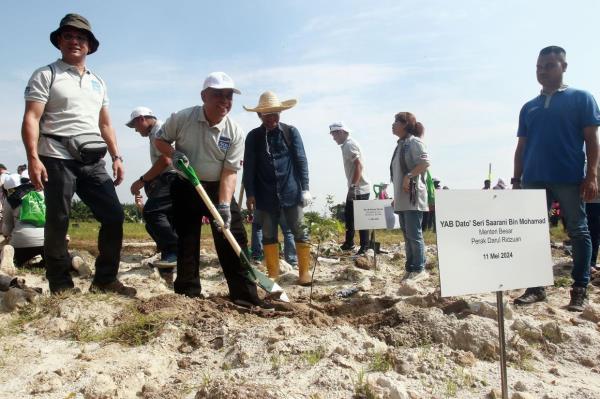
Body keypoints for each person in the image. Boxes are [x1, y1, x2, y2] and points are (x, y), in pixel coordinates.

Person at [20, 14, 135, 296]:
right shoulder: (46, 74)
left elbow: (105, 123)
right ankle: (60, 284)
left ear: (89, 46)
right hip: (56, 155)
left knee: (114, 215)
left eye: (81, 38)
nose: (75, 41)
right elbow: (32, 118)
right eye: (69, 36)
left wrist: (117, 156)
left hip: (92, 159)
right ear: (59, 41)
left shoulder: (98, 82)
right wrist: (33, 158)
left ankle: (105, 279)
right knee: (59, 219)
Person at [155, 71, 269, 309]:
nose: (224, 101)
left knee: (233, 237)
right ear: (204, 96)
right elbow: (160, 140)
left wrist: (225, 205)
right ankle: (188, 294)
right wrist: (173, 153)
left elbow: (230, 172)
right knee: (187, 240)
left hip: (218, 188)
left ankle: (246, 297)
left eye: (228, 96)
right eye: (218, 95)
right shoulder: (182, 118)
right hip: (186, 185)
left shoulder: (234, 132)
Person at [512, 45, 600, 311]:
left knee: (578, 230)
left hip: (569, 177)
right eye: (539, 67)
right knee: (534, 233)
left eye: (549, 65)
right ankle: (536, 287)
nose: (543, 71)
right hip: (534, 179)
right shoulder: (529, 107)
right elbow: (522, 147)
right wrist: (517, 180)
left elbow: (591, 140)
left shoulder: (581, 98)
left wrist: (592, 174)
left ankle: (579, 288)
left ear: (564, 66)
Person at [242, 91, 312, 285]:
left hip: (291, 191)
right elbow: (249, 168)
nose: (272, 118)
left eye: (275, 114)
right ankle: (272, 273)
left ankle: (304, 273)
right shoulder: (253, 137)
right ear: (260, 115)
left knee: (300, 230)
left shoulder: (290, 132)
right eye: (267, 114)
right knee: (268, 234)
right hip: (264, 195)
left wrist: (305, 188)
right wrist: (250, 194)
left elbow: (301, 160)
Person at [126, 106, 177, 284]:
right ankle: (169, 261)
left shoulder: (158, 132)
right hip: (169, 177)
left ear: (141, 119)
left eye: (135, 126)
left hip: (172, 177)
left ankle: (173, 249)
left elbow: (166, 160)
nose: (135, 130)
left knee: (152, 212)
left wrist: (142, 181)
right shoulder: (155, 132)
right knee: (161, 223)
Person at [390, 112, 431, 281]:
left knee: (414, 234)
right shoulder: (400, 145)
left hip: (413, 196)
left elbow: (425, 163)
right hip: (402, 198)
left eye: (396, 122)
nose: (393, 125)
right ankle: (410, 267)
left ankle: (419, 268)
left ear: (405, 124)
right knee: (407, 235)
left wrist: (409, 176)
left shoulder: (415, 142)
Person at [329, 122, 371, 254]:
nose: (333, 138)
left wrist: (353, 187)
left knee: (361, 219)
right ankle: (349, 243)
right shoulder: (347, 144)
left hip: (359, 188)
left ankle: (365, 246)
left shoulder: (349, 145)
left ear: (341, 132)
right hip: (355, 187)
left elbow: (359, 166)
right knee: (350, 216)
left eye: (334, 134)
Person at [1, 173, 44, 268]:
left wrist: (7, 236)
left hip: (21, 244)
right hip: (47, 242)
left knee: (17, 261)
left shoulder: (9, 200)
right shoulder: (42, 193)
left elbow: (6, 230)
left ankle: (11, 259)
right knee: (56, 260)